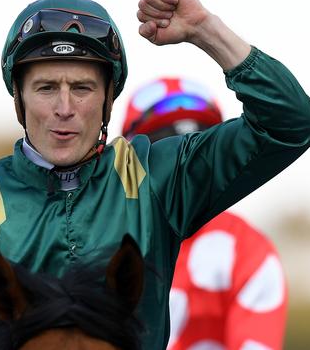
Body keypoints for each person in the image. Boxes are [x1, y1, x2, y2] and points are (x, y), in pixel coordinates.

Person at [0, 0, 310, 348]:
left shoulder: (156, 178)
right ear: (18, 101)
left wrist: (204, 31)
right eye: (45, 88)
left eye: (82, 88)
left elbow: (291, 124)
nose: (64, 109)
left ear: (108, 100)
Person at [123, 77, 287, 350]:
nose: (180, 173)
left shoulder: (246, 250)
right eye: (164, 152)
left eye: (197, 155)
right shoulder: (97, 233)